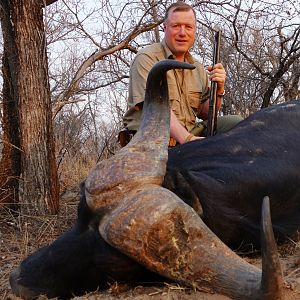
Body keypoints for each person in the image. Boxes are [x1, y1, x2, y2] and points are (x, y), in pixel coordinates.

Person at [122, 1, 242, 147]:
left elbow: (205, 114)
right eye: (176, 26)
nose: (182, 33)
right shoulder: (147, 59)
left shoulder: (197, 67)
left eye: (188, 27)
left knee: (237, 123)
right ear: (165, 28)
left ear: (195, 30)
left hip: (188, 136)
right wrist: (187, 139)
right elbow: (155, 108)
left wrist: (219, 89)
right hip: (153, 141)